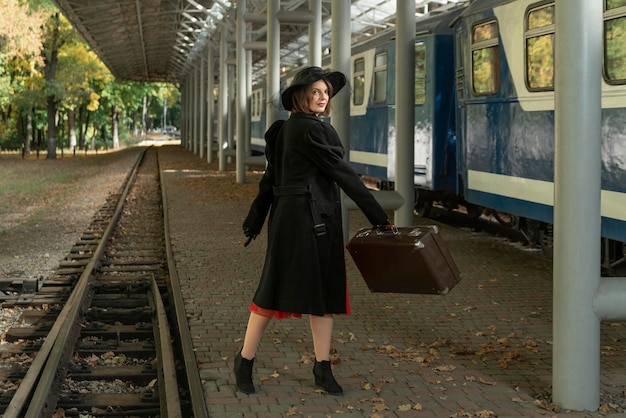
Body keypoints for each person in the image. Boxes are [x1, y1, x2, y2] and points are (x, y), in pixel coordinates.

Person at [235, 66, 393, 395]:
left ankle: (308, 367)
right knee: (294, 292)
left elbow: (269, 184)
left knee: (299, 293)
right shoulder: (313, 131)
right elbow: (344, 175)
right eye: (316, 92)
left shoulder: (282, 131)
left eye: (326, 93)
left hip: (292, 220)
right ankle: (254, 361)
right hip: (311, 222)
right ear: (300, 96)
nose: (322, 98)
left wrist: (255, 221)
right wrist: (378, 216)